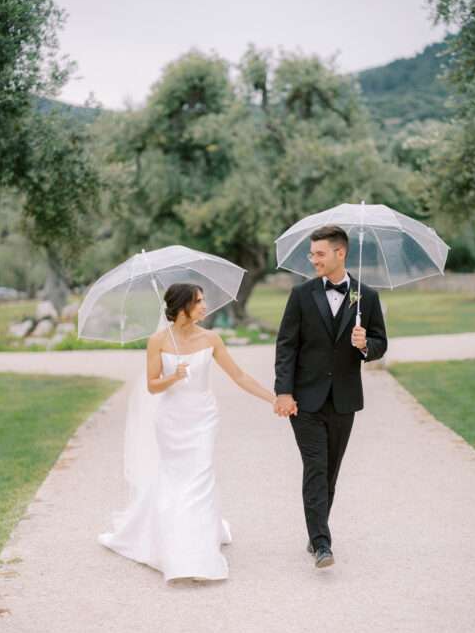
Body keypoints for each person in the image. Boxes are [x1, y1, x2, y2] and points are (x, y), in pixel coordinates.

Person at [99, 282, 274, 582]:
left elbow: (239, 375)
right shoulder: (157, 341)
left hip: (203, 418)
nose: (205, 306)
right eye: (199, 301)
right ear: (182, 307)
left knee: (201, 476)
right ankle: (176, 544)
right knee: (176, 479)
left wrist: (273, 399)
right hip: (171, 420)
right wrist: (173, 376)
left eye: (204, 300)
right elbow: (152, 386)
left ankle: (199, 551)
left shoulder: (211, 338)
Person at [274, 225, 387, 568]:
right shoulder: (301, 295)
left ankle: (315, 531)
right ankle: (323, 543)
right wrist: (283, 391)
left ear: (341, 253)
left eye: (319, 254)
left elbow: (381, 344)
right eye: (312, 254)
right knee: (316, 468)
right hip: (305, 401)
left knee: (331, 471)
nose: (314, 260)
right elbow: (286, 347)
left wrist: (364, 343)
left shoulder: (366, 297)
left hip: (344, 400)